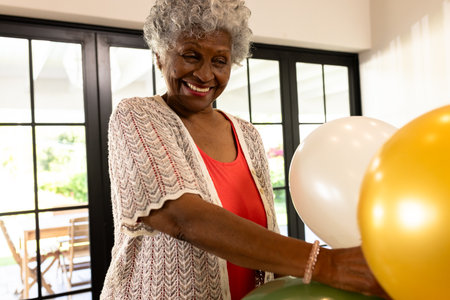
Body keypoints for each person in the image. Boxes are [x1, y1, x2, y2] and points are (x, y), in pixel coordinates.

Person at [100, 0, 389, 299]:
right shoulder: (136, 115)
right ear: (160, 56)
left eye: (220, 61)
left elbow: (268, 235)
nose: (205, 74)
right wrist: (327, 264)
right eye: (190, 55)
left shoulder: (247, 135)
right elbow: (182, 217)